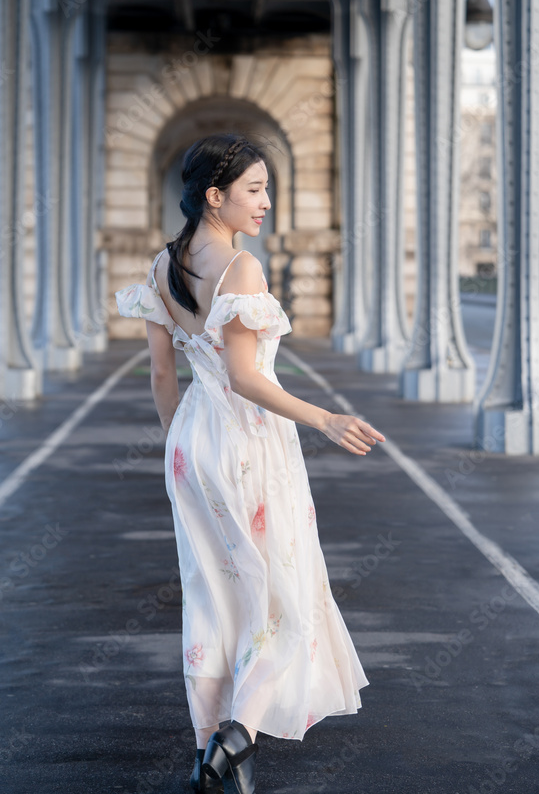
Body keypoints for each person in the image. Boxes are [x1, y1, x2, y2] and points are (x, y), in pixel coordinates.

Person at [114, 133, 385, 794]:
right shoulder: (240, 269)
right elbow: (243, 378)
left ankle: (215, 752)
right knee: (280, 600)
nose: (266, 202)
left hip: (192, 443)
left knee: (213, 602)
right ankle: (236, 735)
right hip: (248, 446)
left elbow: (159, 375)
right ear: (215, 195)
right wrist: (324, 417)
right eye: (254, 189)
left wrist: (180, 445)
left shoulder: (161, 266)